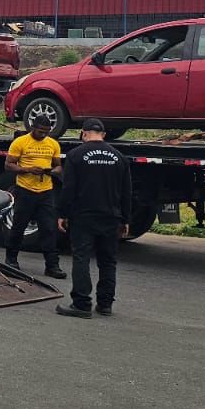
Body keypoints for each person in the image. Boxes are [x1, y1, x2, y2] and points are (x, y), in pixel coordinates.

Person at [56, 118, 133, 317]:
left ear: (84, 133)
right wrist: (125, 219)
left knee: (81, 258)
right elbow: (126, 191)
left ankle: (82, 304)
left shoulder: (75, 155)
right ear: (104, 134)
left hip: (84, 216)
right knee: (108, 261)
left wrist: (62, 214)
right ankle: (105, 304)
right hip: (111, 216)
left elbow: (69, 188)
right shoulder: (119, 157)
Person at [4, 115, 64, 278]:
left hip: (46, 191)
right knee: (19, 226)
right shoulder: (21, 142)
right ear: (32, 128)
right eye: (40, 131)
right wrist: (27, 170)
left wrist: (52, 171)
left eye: (46, 132)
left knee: (49, 229)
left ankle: (52, 265)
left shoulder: (53, 144)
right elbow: (8, 165)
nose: (43, 134)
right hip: (25, 190)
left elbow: (59, 167)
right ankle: (11, 260)